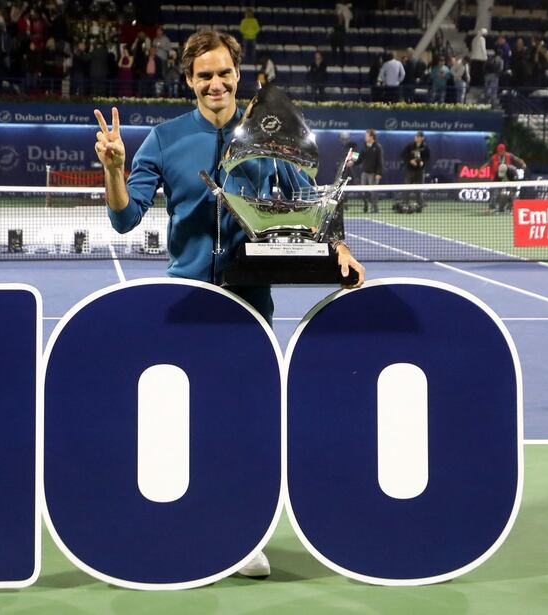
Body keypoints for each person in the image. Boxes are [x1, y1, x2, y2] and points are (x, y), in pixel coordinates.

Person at [94, 32, 364, 576]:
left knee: (243, 421)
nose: (214, 84)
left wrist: (338, 245)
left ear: (238, 75)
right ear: (188, 81)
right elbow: (124, 218)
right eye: (203, 75)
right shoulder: (165, 139)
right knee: (181, 421)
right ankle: (179, 523)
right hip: (186, 303)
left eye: (224, 73)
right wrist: (114, 169)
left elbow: (308, 200)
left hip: (249, 303)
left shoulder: (266, 132)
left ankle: (242, 535)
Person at [348, 128, 383, 213]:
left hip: (373, 173)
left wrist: (379, 173)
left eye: (367, 135)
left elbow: (380, 161)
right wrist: (352, 161)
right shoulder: (364, 146)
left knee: (373, 192)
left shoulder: (378, 147)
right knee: (363, 191)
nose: (365, 137)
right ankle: (365, 206)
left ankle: (374, 208)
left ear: (371, 136)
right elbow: (359, 158)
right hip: (364, 173)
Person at [488, 143, 526, 213]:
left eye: (501, 150)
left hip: (510, 176)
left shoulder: (509, 156)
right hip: (501, 175)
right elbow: (488, 163)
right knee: (496, 191)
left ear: (504, 150)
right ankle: (492, 207)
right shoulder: (494, 157)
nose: (500, 152)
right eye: (499, 150)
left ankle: (514, 207)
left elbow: (517, 159)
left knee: (513, 193)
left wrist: (523, 163)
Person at [401, 131, 430, 210]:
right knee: (407, 188)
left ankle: (420, 205)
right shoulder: (410, 146)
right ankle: (405, 204)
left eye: (418, 136)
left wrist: (422, 162)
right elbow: (403, 155)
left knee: (419, 189)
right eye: (416, 136)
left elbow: (427, 158)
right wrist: (410, 161)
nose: (416, 138)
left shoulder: (425, 147)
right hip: (410, 170)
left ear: (422, 138)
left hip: (420, 171)